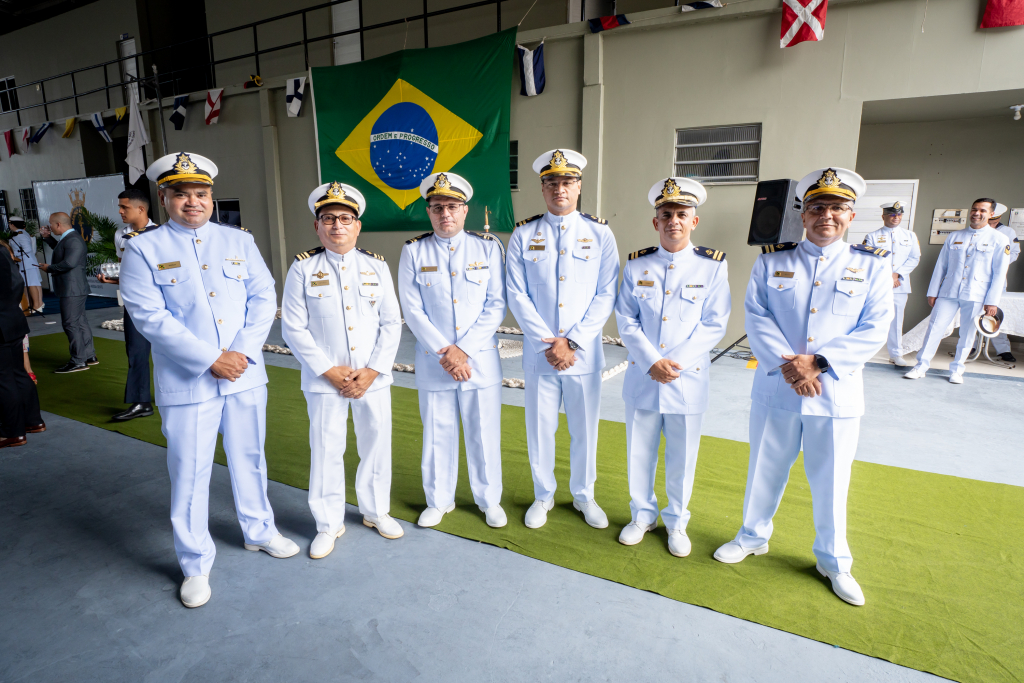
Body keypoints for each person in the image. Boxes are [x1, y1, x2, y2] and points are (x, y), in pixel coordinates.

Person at [119, 152, 299, 609]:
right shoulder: (143, 249)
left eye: (201, 194)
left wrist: (241, 352)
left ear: (212, 197)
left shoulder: (238, 240)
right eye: (181, 194)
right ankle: (195, 563)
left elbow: (263, 297)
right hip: (188, 380)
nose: (192, 202)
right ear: (164, 199)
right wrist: (211, 359)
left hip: (243, 374)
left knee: (250, 458)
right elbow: (149, 316)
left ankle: (259, 531)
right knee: (190, 471)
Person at [714, 168, 893, 607]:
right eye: (817, 207)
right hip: (778, 388)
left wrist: (817, 363)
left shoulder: (871, 266)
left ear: (851, 215)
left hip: (834, 393)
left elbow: (875, 327)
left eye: (837, 208)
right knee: (764, 468)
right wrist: (791, 367)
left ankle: (834, 561)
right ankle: (752, 536)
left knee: (832, 480)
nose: (826, 215)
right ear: (803, 214)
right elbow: (757, 316)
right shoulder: (772, 261)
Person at [281, 181, 405, 557]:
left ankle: (375, 511)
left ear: (357, 225)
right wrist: (328, 370)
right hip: (324, 381)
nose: (337, 225)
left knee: (376, 445)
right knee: (326, 449)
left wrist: (373, 370)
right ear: (317, 226)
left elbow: (391, 323)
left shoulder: (376, 266)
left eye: (345, 218)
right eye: (328, 218)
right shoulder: (303, 268)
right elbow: (293, 327)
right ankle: (328, 523)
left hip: (372, 379)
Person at [614, 178, 730, 556]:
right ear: (656, 222)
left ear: (694, 221)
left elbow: (714, 323)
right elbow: (626, 319)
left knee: (682, 457)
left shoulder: (711, 267)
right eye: (666, 215)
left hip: (686, 378)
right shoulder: (637, 265)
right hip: (644, 376)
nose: (673, 221)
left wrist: (673, 364)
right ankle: (641, 515)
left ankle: (677, 522)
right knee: (639, 452)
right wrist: (653, 361)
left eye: (682, 214)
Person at [506, 149, 620, 530]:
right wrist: (548, 343)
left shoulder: (600, 234)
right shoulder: (523, 235)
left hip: (582, 356)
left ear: (579, 186)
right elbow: (517, 294)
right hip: (541, 356)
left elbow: (607, 293)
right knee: (540, 429)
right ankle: (543, 495)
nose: (560, 189)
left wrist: (571, 342)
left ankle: (584, 495)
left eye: (567, 181)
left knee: (584, 429)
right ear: (542, 188)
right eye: (552, 182)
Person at [399, 173, 508, 529]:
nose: (445, 213)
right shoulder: (414, 251)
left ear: (464, 210)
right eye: (437, 207)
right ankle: (438, 500)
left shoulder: (487, 248)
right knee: (437, 433)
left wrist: (464, 350)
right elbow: (412, 309)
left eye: (452, 206)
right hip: (435, 363)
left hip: (479, 360)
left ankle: (489, 500)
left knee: (484, 434)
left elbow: (496, 304)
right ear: (428, 212)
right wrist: (446, 354)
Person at [904, 199, 1011, 384]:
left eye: (982, 210)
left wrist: (992, 301)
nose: (977, 213)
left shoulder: (999, 239)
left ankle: (957, 370)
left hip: (977, 293)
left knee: (967, 334)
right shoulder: (955, 236)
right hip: (949, 291)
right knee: (934, 329)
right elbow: (941, 266)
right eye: (974, 209)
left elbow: (1000, 273)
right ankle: (920, 366)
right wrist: (933, 292)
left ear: (991, 214)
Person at [96, 189, 156, 421]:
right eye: (120, 207)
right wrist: (112, 280)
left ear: (141, 209)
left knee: (174, 350)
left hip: (163, 301)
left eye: (125, 207)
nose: (120, 211)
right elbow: (125, 270)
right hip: (135, 302)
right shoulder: (120, 234)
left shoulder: (162, 234)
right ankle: (141, 402)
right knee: (136, 351)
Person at [862, 201, 920, 366]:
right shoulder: (872, 236)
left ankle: (896, 354)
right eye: (892, 214)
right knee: (871, 317)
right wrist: (887, 276)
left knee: (896, 321)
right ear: (884, 216)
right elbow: (868, 259)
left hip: (900, 285)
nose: (896, 217)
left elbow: (914, 258)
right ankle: (865, 352)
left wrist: (897, 275)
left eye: (899, 214)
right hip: (878, 285)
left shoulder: (910, 236)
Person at [38, 212, 97, 373]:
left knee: (71, 323)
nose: (49, 227)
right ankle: (89, 356)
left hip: (72, 289)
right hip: (73, 288)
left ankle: (78, 361)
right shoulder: (69, 238)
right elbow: (62, 250)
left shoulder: (73, 239)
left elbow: (69, 263)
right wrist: (48, 238)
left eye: (51, 224)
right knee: (80, 322)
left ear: (58, 224)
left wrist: (49, 268)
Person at [0, 238, 44, 448]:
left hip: (2, 323)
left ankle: (12, 432)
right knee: (17, 373)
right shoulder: (2, 252)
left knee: (4, 378)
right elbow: (18, 284)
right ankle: (33, 421)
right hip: (13, 319)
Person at [985, 203, 1018, 362]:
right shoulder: (977, 230)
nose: (991, 225)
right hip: (976, 279)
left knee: (996, 314)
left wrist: (1000, 262)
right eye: (989, 222)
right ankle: (971, 346)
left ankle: (1003, 350)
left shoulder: (1008, 232)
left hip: (998, 279)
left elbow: (1015, 252)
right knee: (972, 314)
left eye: (994, 222)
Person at [8, 216, 43, 314]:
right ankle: (29, 305)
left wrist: (14, 255)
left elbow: (27, 249)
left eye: (10, 224)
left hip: (27, 263)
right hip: (24, 263)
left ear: (12, 224)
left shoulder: (21, 235)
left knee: (32, 284)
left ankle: (36, 306)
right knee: (29, 284)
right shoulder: (20, 234)